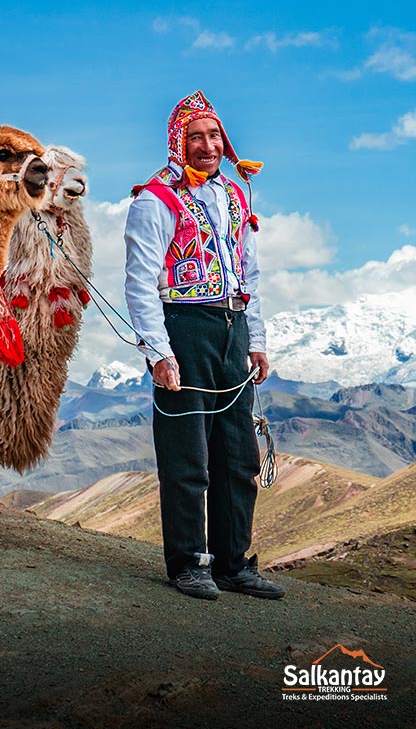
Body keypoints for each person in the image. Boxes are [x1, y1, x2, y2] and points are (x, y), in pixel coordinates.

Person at [124, 90, 284, 601]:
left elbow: (248, 273)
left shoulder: (236, 197)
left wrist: (255, 339)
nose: (208, 146)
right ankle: (190, 563)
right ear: (178, 141)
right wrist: (158, 351)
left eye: (215, 136)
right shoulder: (155, 200)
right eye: (196, 136)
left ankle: (234, 563)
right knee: (186, 454)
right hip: (185, 329)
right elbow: (139, 281)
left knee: (238, 454)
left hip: (233, 328)